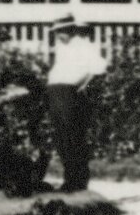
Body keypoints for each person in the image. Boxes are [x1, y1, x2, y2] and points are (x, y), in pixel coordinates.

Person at [42, 18, 108, 193]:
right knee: (61, 137)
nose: (58, 35)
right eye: (56, 32)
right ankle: (69, 180)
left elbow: (99, 67)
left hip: (69, 93)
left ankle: (76, 181)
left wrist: (84, 85)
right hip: (56, 93)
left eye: (61, 31)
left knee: (72, 136)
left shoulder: (82, 45)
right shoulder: (63, 49)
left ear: (70, 30)